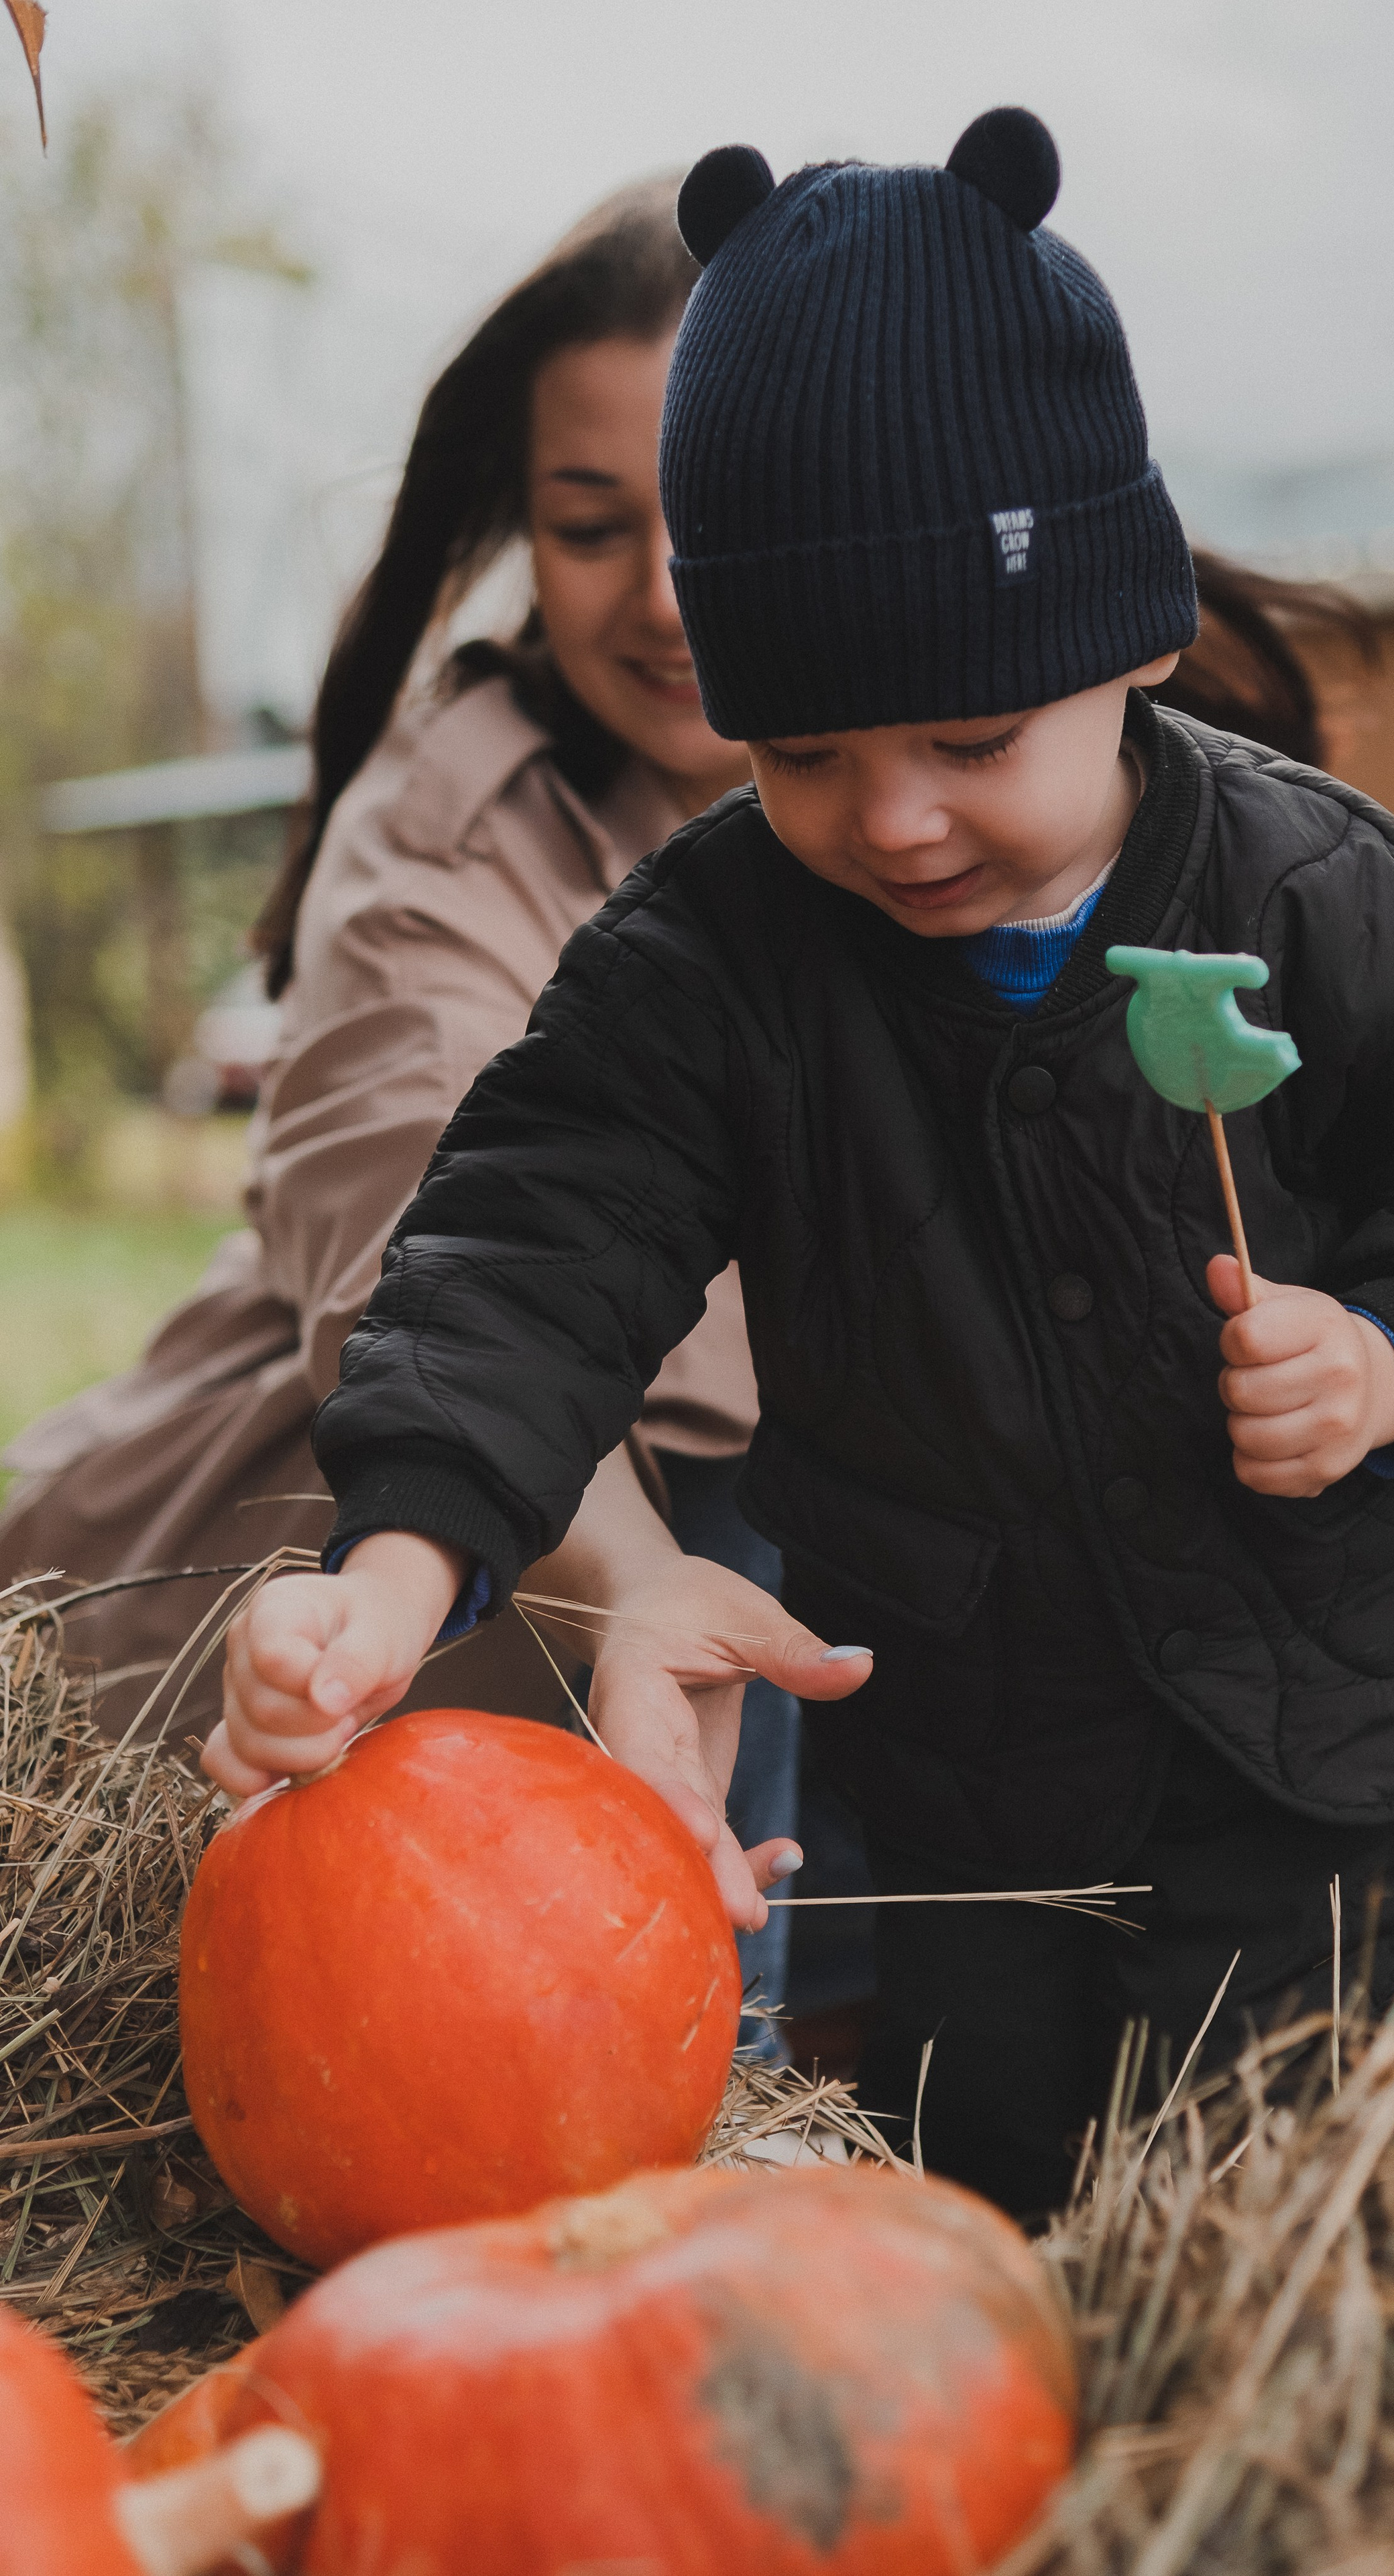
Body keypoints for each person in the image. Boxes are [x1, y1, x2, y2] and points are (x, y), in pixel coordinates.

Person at [206, 111, 1394, 2217]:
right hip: (976, 1733)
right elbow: (531, 1239)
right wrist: (399, 1568)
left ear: (1128, 639)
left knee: (1244, 2180)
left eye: (970, 743)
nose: (891, 822)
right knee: (987, 2170)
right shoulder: (712, 959)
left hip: (1332, 1702)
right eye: (807, 755)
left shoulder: (1307, 888)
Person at [0, 176, 801, 2036]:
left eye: (723, 515)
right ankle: (707, 2063)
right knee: (716, 1468)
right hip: (428, 1541)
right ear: (519, 531)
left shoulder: (939, 792)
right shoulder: (444, 841)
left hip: (820, 1594)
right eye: (593, 529)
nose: (668, 595)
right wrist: (640, 1583)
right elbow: (432, 1272)